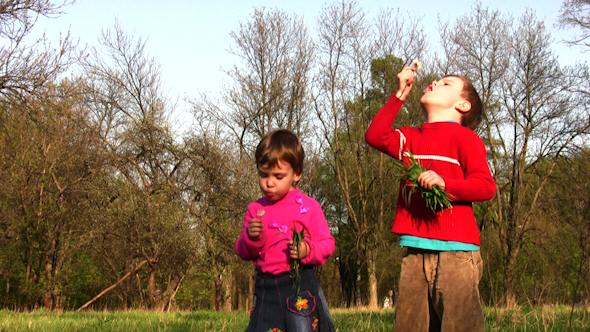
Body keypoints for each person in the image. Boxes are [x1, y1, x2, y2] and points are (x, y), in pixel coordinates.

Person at [365, 65, 496, 332]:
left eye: (447, 83)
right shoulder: (411, 137)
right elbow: (375, 136)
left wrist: (445, 183)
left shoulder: (466, 139)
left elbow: (485, 186)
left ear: (463, 105)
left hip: (457, 254)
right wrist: (400, 94)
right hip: (415, 253)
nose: (435, 81)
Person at [235, 129, 336, 332]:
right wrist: (251, 238)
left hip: (298, 286)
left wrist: (308, 251)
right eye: (263, 175)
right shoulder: (256, 210)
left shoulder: (308, 207)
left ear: (296, 174)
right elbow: (243, 251)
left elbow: (327, 243)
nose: (269, 182)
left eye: (279, 176)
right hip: (266, 291)